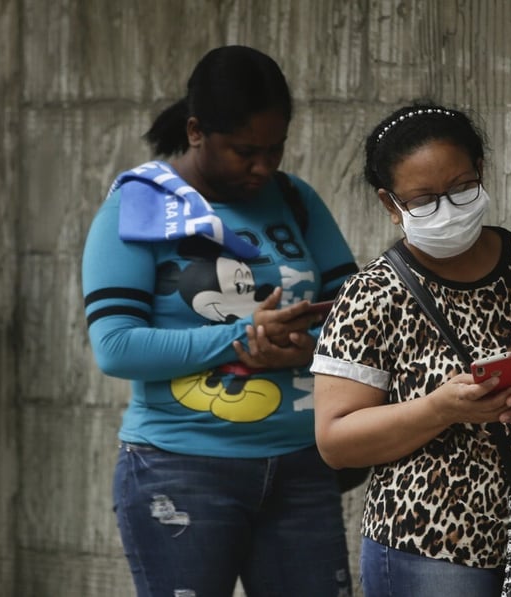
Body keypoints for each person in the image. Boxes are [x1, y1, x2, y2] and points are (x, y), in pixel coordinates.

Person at [308, 103, 511, 596]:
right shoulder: (370, 294)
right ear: (391, 206)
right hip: (430, 546)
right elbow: (335, 441)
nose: (448, 209)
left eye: (461, 188)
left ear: (481, 171)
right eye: (424, 199)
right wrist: (440, 409)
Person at [82, 45, 359, 597]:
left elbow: (361, 323)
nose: (264, 166)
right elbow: (115, 346)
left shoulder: (296, 200)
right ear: (195, 131)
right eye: (244, 151)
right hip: (180, 471)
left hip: (302, 468)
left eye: (275, 149)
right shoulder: (140, 208)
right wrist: (242, 336)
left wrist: (302, 347)